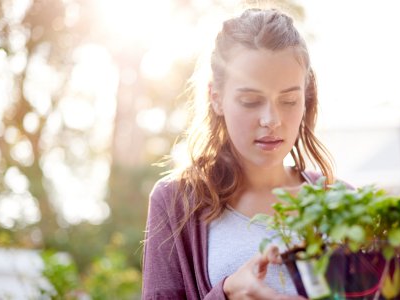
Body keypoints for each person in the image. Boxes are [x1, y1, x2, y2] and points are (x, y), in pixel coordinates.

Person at [142, 7, 335, 300]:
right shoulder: (174, 203)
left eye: (289, 100)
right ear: (216, 99)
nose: (271, 119)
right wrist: (227, 293)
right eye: (250, 101)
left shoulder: (340, 201)